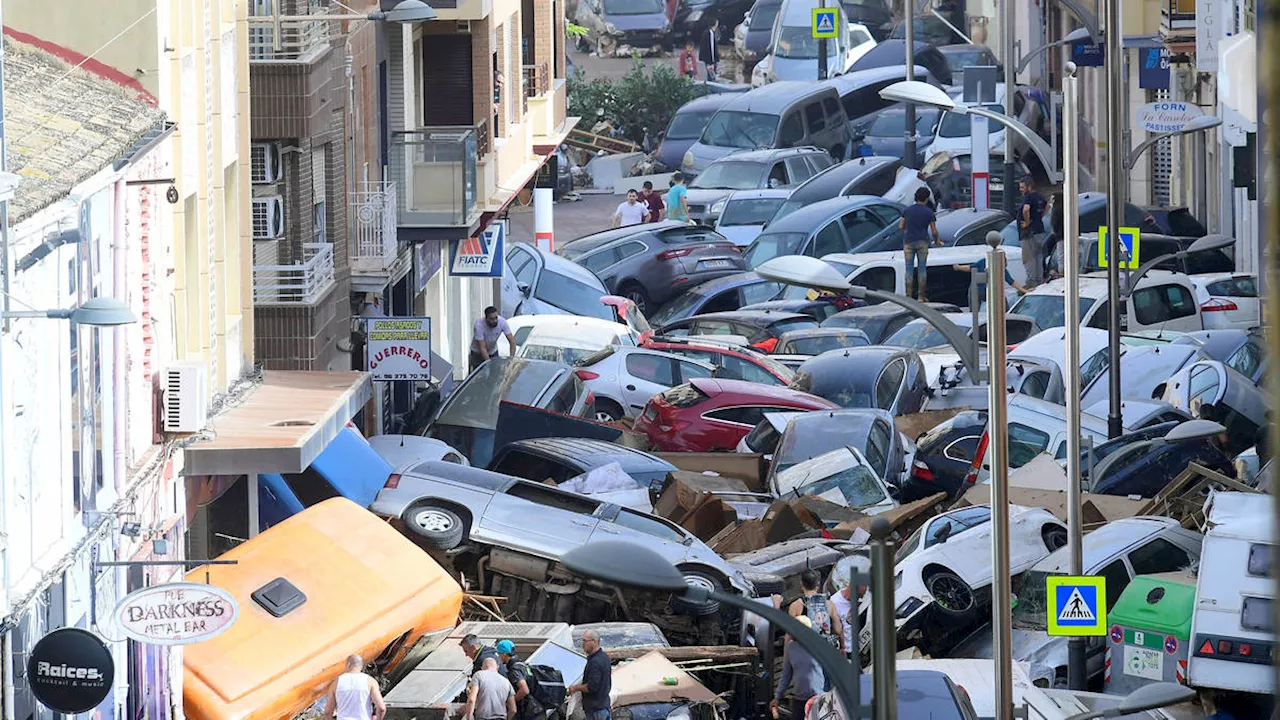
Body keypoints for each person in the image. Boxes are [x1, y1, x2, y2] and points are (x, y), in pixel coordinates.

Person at [770, 616, 825, 720]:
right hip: (799, 699)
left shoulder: (818, 646)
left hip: (817, 698)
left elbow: (829, 671)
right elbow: (786, 675)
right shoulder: (791, 647)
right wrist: (777, 697)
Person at [897, 187, 941, 301]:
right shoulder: (929, 212)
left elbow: (901, 226)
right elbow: (934, 231)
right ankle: (921, 296)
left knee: (909, 269)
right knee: (922, 269)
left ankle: (909, 296)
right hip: (923, 241)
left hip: (908, 241)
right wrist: (937, 241)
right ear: (926, 199)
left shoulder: (907, 210)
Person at [787, 570, 844, 653]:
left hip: (805, 651)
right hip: (824, 650)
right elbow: (838, 629)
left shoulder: (795, 606)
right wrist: (843, 647)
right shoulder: (829, 604)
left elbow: (790, 634)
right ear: (818, 585)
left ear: (801, 585)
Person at [951, 256, 1027, 312]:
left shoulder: (1001, 269)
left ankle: (1007, 316)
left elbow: (1011, 282)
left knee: (1003, 303)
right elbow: (970, 268)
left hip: (990, 290)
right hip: (977, 290)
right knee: (974, 310)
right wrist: (959, 267)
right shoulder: (984, 262)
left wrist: (1024, 291)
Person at [830, 556, 869, 661]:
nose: (861, 598)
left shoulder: (860, 601)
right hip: (846, 652)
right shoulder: (834, 603)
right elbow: (834, 630)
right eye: (860, 595)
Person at [324, 654, 387, 720]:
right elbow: (381, 708)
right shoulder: (370, 681)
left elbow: (327, 712)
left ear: (348, 665)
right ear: (362, 666)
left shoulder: (336, 682)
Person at [568, 629, 611, 720]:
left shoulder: (595, 662)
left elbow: (592, 687)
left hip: (596, 711)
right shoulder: (604, 657)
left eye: (585, 641)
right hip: (603, 706)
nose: (583, 644)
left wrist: (575, 688)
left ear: (594, 641)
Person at [496, 640, 536, 720]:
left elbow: (524, 690)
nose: (498, 657)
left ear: (504, 654)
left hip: (528, 711)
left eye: (499, 654)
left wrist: (511, 702)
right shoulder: (522, 664)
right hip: (536, 708)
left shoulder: (514, 669)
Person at [1019, 176, 1047, 286]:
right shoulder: (1039, 197)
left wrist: (1027, 222)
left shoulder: (1028, 197)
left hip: (1029, 233)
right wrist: (1039, 217)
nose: (1020, 190)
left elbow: (1026, 209)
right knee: (1038, 256)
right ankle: (1039, 280)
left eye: (1022, 187)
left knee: (1029, 258)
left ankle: (1031, 282)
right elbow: (1047, 206)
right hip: (1040, 231)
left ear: (1029, 187)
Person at [471, 307, 517, 373]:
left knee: (495, 373)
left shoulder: (502, 322)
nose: (495, 321)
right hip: (478, 352)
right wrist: (490, 363)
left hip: (493, 351)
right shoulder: (479, 325)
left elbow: (512, 341)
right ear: (486, 318)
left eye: (496, 318)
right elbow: (482, 347)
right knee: (479, 374)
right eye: (491, 319)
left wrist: (511, 359)